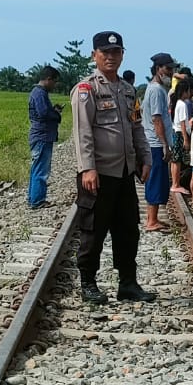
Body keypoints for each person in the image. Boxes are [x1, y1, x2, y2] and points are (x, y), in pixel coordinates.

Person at [71, 32, 155, 305]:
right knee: (93, 231)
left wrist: (145, 158)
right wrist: (87, 168)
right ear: (94, 55)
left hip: (124, 173)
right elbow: (83, 131)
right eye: (105, 52)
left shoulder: (128, 90)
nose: (110, 57)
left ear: (122, 55)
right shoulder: (87, 89)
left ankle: (128, 284)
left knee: (128, 230)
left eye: (116, 52)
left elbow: (136, 126)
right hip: (98, 174)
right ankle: (88, 283)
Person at [142, 52, 176, 231]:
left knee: (156, 179)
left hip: (155, 142)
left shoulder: (157, 88)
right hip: (155, 143)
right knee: (155, 179)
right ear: (158, 69)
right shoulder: (156, 90)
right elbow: (157, 119)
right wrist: (164, 144)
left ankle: (152, 218)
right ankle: (151, 221)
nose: (171, 72)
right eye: (168, 68)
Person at [26, 67, 63, 208]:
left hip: (40, 136)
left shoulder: (38, 93)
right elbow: (43, 113)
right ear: (48, 79)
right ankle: (37, 200)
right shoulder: (40, 93)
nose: (55, 85)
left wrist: (53, 110)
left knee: (37, 168)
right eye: (55, 81)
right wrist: (56, 114)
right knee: (41, 170)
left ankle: (33, 198)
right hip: (42, 136)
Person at [170, 78, 193, 196]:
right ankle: (176, 184)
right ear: (184, 91)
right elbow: (183, 123)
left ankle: (175, 183)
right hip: (179, 133)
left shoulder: (177, 103)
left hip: (175, 132)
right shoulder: (182, 104)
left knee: (175, 160)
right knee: (178, 160)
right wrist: (186, 139)